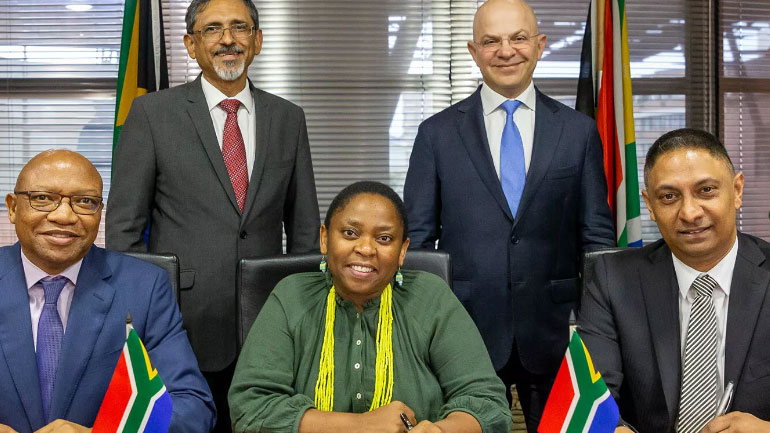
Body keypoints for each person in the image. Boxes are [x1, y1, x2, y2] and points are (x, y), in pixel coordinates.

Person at [105, 0, 320, 429]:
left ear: (257, 40)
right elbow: (124, 227)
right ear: (190, 44)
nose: (227, 39)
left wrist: (303, 311)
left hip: (272, 322)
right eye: (212, 29)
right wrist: (143, 312)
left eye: (240, 27)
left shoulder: (288, 118)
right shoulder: (152, 114)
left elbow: (303, 229)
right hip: (181, 323)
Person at [403, 0, 615, 429]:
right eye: (491, 41)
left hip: (557, 331)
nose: (506, 51)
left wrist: (596, 326)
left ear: (540, 45)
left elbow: (597, 238)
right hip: (464, 331)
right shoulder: (436, 134)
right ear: (473, 50)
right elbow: (419, 246)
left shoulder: (578, 132)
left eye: (518, 38)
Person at [229, 181, 512, 433]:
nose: (366, 249)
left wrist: (440, 430)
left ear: (402, 251)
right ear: (325, 239)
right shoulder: (290, 297)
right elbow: (250, 409)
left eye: (384, 238)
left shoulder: (431, 298)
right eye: (350, 233)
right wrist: (363, 425)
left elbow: (487, 403)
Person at [0, 150, 215, 433]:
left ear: (100, 213)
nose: (64, 216)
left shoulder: (144, 287)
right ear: (13, 208)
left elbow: (193, 407)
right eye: (42, 198)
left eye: (85, 202)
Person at [579, 128, 770, 433]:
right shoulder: (612, 280)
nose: (690, 213)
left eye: (706, 190)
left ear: (737, 191)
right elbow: (591, 399)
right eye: (669, 197)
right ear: (650, 205)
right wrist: (611, 428)